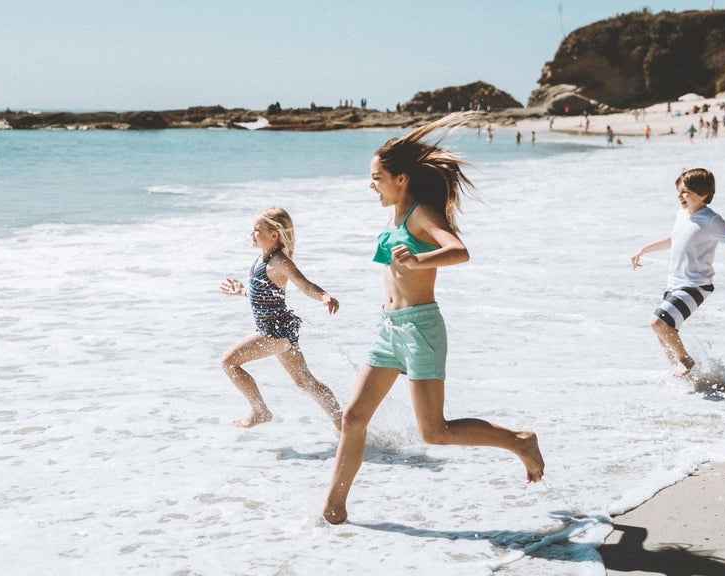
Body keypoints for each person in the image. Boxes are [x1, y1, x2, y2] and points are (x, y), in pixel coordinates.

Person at [321, 113, 545, 525]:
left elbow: (459, 251)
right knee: (353, 418)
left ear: (401, 178)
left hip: (420, 327)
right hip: (388, 328)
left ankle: (518, 440)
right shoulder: (394, 217)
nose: (371, 184)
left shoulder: (422, 214)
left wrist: (421, 258)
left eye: (377, 177)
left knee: (434, 432)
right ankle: (333, 509)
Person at [220, 207, 343, 430]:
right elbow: (264, 295)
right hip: (281, 331)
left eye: (257, 230)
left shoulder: (279, 261)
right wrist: (242, 291)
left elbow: (304, 284)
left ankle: (260, 411)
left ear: (274, 234)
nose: (252, 234)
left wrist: (324, 296)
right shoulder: (262, 259)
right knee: (305, 381)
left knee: (228, 363)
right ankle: (343, 423)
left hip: (273, 333)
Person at [631, 168, 725, 377]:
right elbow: (674, 240)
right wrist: (644, 250)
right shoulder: (681, 215)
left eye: (685, 192)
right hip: (674, 284)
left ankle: (686, 361)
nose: (679, 196)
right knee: (664, 333)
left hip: (696, 285)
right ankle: (689, 381)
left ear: (703, 194)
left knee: (657, 322)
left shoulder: (711, 220)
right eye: (679, 191)